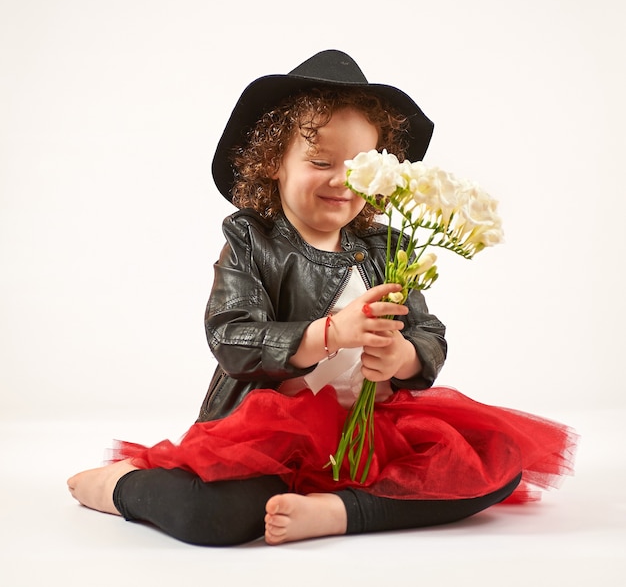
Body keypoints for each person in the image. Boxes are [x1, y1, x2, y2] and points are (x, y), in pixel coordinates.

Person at [67, 49, 577, 546]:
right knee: (215, 515)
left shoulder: (386, 247)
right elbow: (230, 334)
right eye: (319, 161)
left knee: (495, 467)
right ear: (275, 165)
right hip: (272, 432)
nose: (342, 181)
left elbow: (429, 331)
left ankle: (338, 512)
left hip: (373, 427)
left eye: (360, 168)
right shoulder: (252, 239)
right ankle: (119, 486)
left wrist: (402, 357)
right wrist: (330, 333)